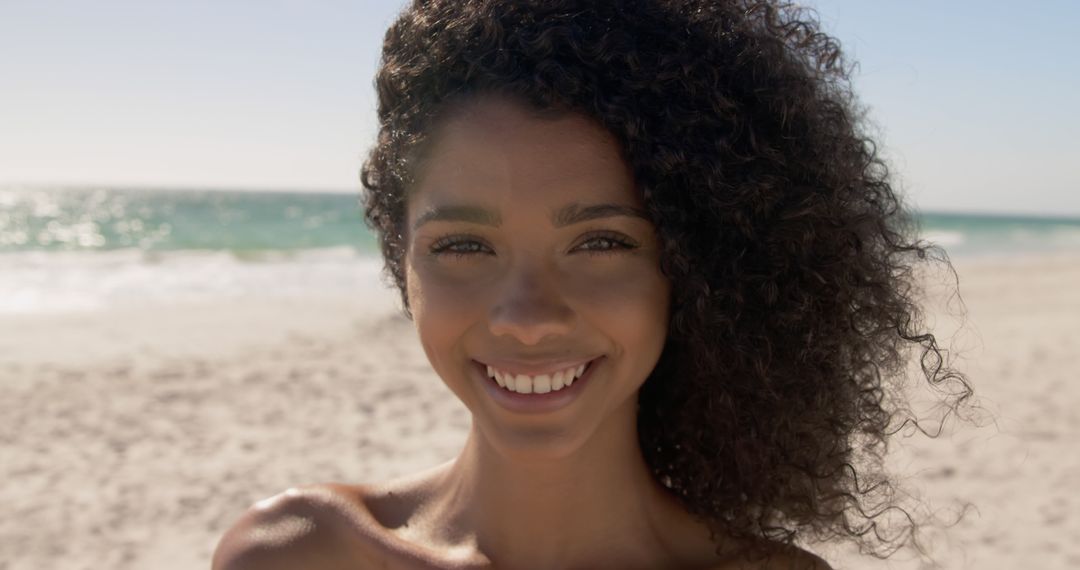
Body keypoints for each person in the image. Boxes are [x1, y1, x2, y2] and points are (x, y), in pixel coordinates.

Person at [213, 0, 970, 568]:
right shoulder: (296, 555)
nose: (526, 318)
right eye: (465, 245)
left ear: (700, 269)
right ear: (399, 257)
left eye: (601, 241)